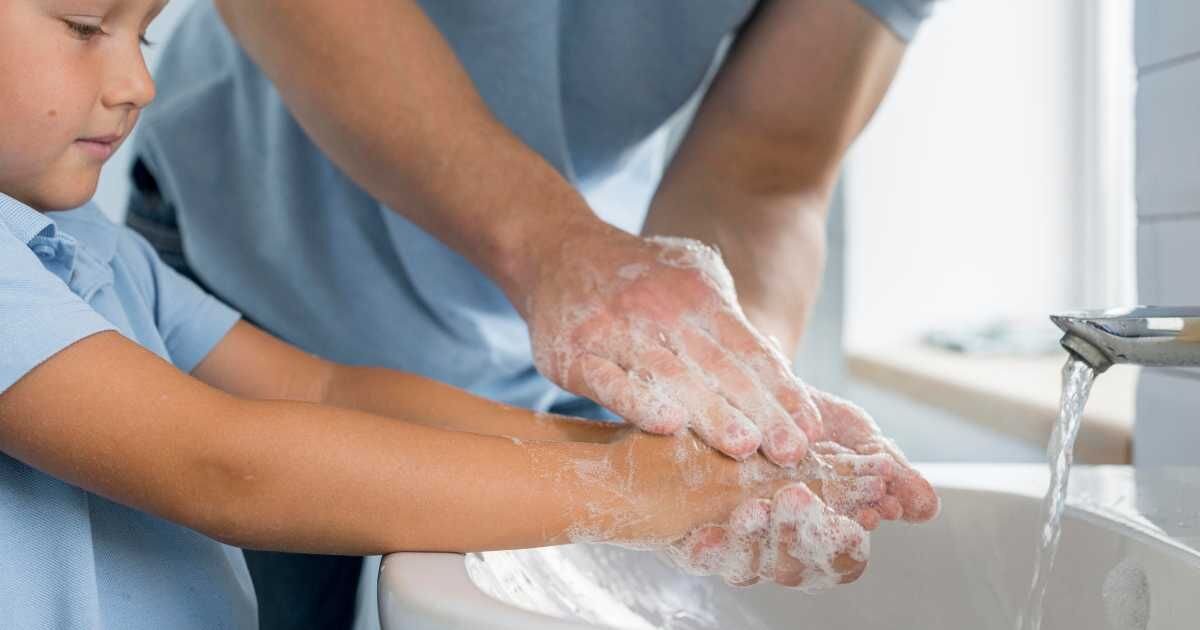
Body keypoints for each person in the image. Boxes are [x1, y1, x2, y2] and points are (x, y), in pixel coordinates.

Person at [0, 0, 933, 628]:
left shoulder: (94, 252)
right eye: (88, 25)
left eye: (147, 35)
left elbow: (326, 390)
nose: (137, 85)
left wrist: (679, 456)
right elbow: (222, 464)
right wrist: (648, 497)